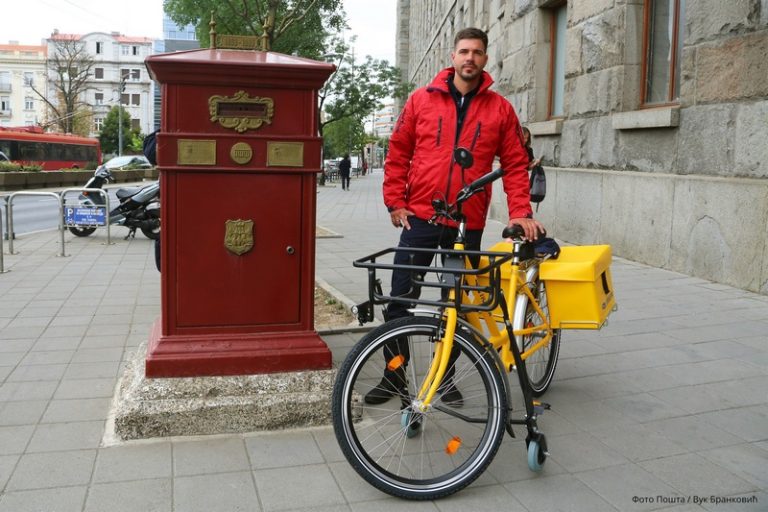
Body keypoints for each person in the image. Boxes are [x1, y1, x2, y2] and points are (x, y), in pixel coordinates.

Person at [365, 27, 545, 406]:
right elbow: (398, 151)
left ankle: (445, 378)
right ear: (452, 56)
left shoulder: (499, 109)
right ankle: (395, 375)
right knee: (400, 299)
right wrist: (395, 201)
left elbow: (515, 164)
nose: (470, 58)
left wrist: (521, 213)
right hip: (420, 218)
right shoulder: (420, 101)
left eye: (477, 52)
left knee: (457, 305)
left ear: (485, 59)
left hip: (468, 223)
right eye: (464, 51)